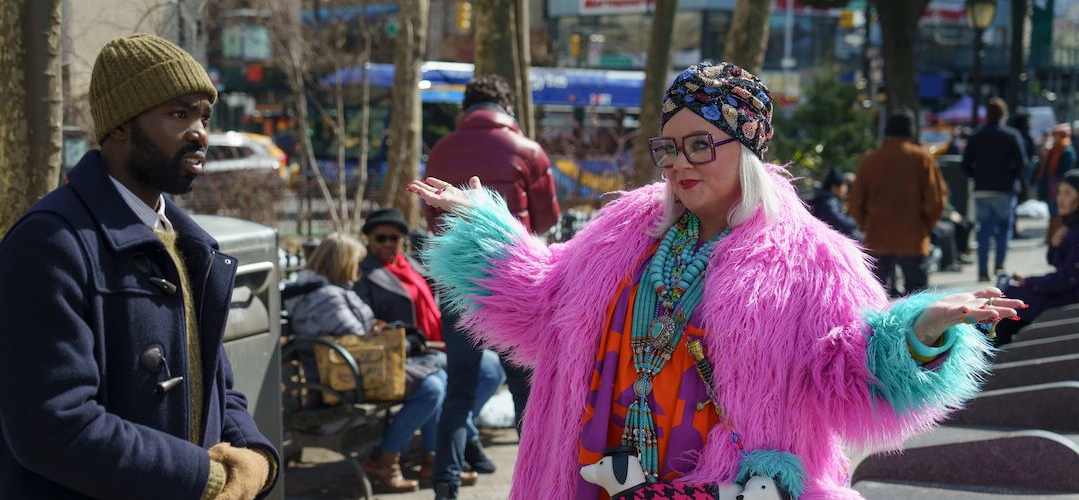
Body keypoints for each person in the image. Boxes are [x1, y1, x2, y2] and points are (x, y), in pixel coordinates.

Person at [408, 61, 1024, 499]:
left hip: (729, 481)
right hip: (595, 468)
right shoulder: (626, 228)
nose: (679, 163)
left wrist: (917, 332)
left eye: (701, 144)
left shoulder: (811, 258)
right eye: (668, 148)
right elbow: (543, 301)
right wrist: (483, 231)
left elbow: (845, 369)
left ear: (747, 148)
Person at [0, 34, 277, 499]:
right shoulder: (50, 243)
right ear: (119, 126)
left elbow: (221, 389)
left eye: (203, 116)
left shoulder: (188, 245)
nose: (200, 132)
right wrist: (206, 477)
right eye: (179, 114)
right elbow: (54, 426)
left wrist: (256, 457)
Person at [422, 74, 561, 499]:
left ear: (467, 107)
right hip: (512, 286)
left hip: (458, 282)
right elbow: (548, 219)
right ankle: (533, 484)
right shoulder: (528, 151)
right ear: (507, 106)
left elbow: (434, 220)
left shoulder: (441, 150)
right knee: (525, 392)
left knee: (458, 389)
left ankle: (445, 484)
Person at [286, 233, 453, 492]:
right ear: (342, 263)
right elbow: (360, 343)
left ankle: (430, 459)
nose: (358, 269)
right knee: (432, 387)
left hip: (353, 371)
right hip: (341, 381)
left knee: (437, 379)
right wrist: (406, 343)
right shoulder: (326, 297)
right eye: (355, 262)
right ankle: (387, 458)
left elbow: (361, 335)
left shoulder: (332, 291)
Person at [353, 208, 501, 477]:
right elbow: (365, 321)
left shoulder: (412, 264)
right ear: (369, 240)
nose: (388, 244)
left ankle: (458, 430)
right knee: (441, 382)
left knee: (492, 368)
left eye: (394, 238)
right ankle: (448, 447)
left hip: (438, 342)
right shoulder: (364, 274)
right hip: (406, 351)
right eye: (380, 238)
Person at [850, 109, 948, 297]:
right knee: (917, 295)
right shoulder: (921, 159)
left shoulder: (871, 159)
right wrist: (925, 226)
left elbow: (855, 201)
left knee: (876, 294)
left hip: (877, 234)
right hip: (912, 235)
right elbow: (936, 200)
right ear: (910, 131)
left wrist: (867, 224)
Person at [997, 170, 1079, 345]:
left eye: (1068, 193)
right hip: (1065, 292)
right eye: (1059, 192)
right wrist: (1055, 246)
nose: (1060, 199)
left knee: (1010, 307)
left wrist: (1029, 282)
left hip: (1070, 299)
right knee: (1007, 300)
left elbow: (1067, 279)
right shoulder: (1070, 225)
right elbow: (1057, 263)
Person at [961, 97, 1030, 282]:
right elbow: (1022, 163)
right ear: (1003, 115)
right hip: (1004, 189)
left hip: (982, 189)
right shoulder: (1011, 134)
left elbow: (965, 165)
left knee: (984, 230)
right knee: (1003, 228)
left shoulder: (975, 136)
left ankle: (982, 270)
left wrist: (977, 176)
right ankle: (999, 265)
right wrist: (1012, 177)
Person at [1036, 124, 1076, 245]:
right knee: (1053, 213)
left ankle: (1056, 238)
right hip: (1051, 185)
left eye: (1058, 135)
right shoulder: (1052, 149)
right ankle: (1051, 237)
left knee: (1058, 213)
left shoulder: (1067, 150)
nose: (1056, 138)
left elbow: (1066, 170)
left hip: (1060, 186)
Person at [808, 167, 859, 239]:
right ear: (834, 188)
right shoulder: (828, 202)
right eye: (843, 186)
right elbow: (841, 224)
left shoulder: (825, 199)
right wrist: (857, 221)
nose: (845, 190)